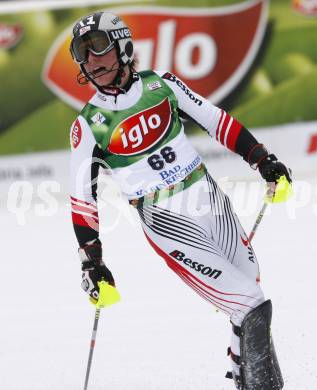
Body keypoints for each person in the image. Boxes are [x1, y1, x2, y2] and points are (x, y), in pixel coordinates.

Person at [69, 11, 291, 390]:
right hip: (166, 219)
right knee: (249, 302)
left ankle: (245, 375)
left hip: (209, 197)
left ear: (122, 45)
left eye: (98, 47)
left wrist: (262, 159)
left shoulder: (162, 85)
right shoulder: (89, 125)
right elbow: (81, 200)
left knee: (251, 288)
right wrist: (92, 264)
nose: (91, 61)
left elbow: (216, 120)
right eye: (81, 52)